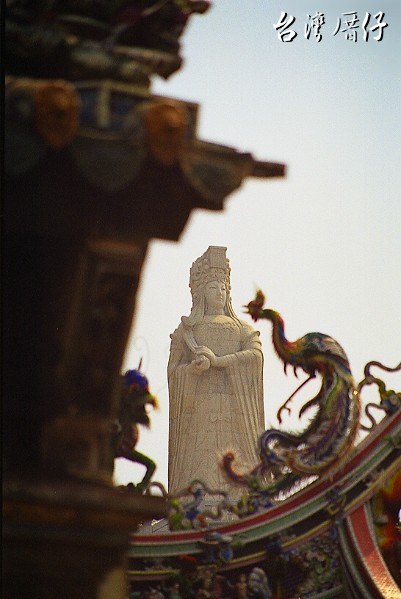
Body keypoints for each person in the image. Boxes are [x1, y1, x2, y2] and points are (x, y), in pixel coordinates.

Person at [168, 246, 265, 496]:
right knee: (202, 468)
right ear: (201, 292)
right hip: (199, 414)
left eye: (223, 287)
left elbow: (256, 356)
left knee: (238, 471)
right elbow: (174, 371)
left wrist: (220, 361)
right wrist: (192, 370)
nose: (220, 292)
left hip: (235, 412)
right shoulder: (186, 331)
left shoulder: (242, 328)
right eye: (213, 287)